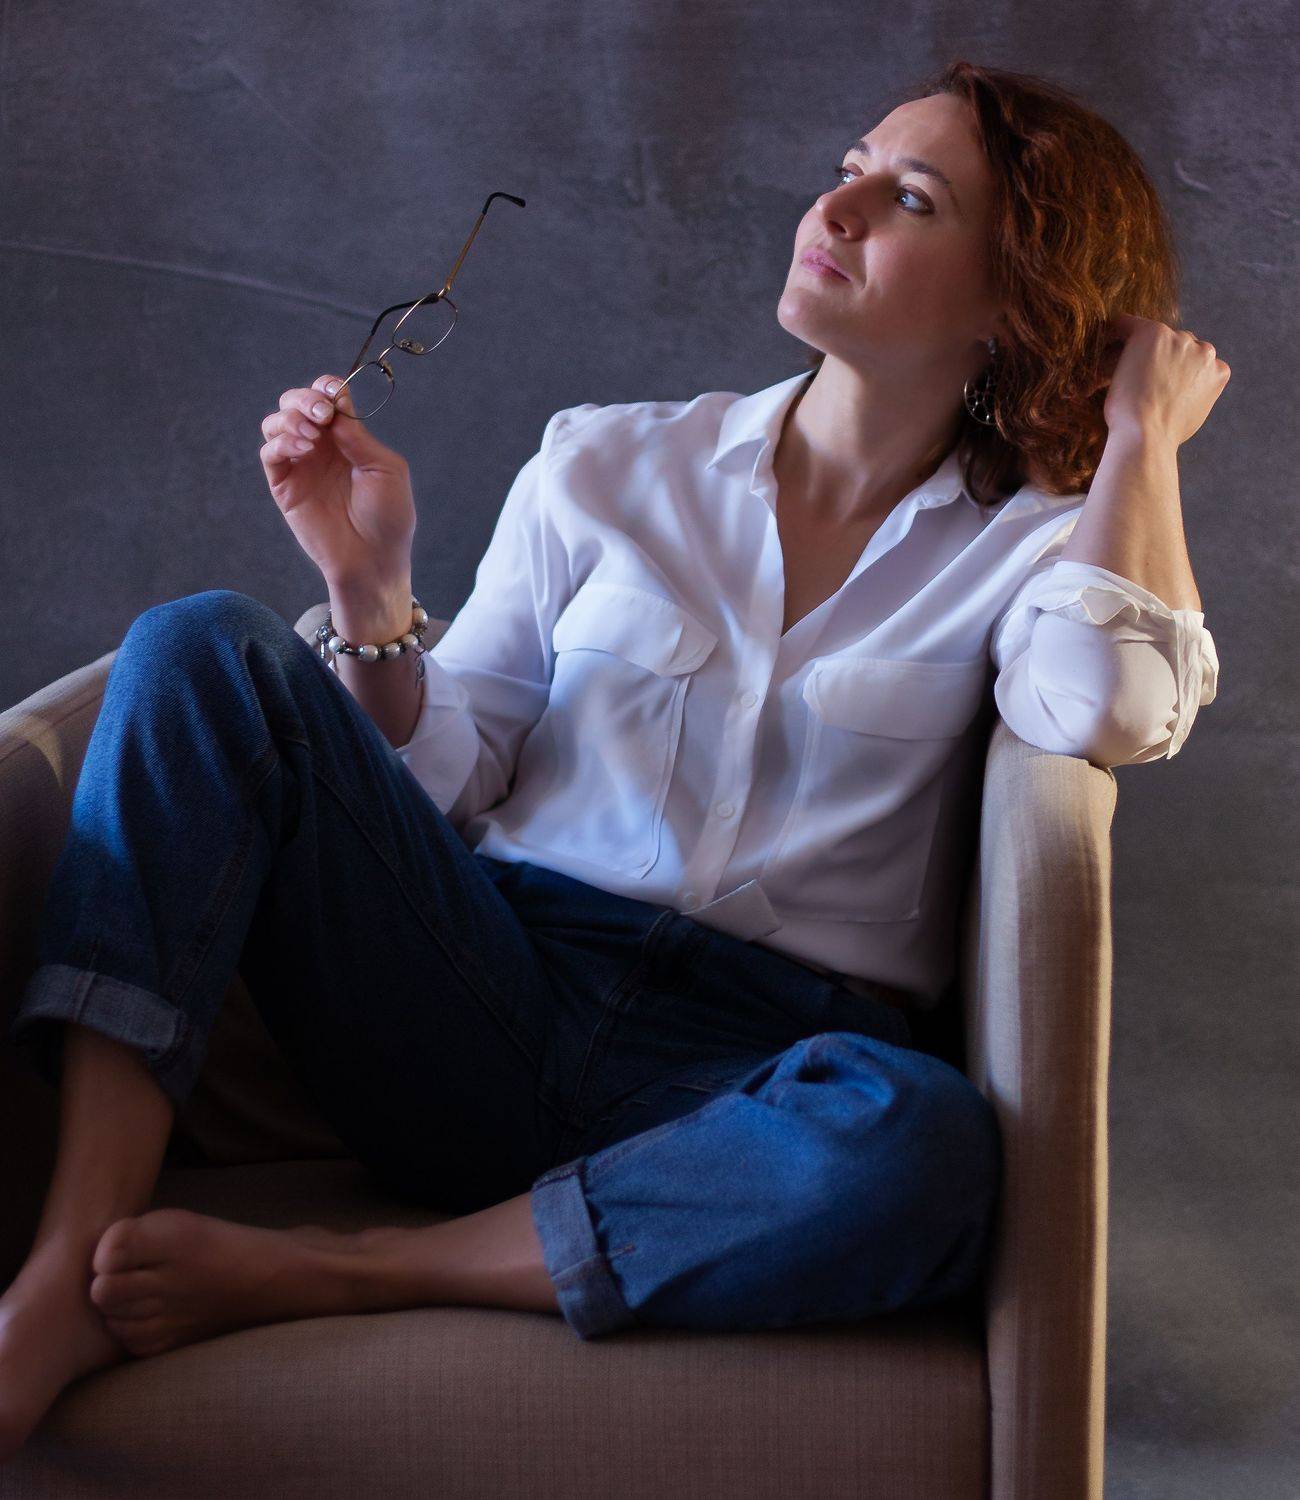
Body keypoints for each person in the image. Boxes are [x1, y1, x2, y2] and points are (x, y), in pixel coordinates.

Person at [0, 59, 1227, 1462]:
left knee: (926, 1142)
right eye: (850, 167)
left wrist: (1140, 441)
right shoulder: (606, 464)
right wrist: (370, 594)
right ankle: (68, 1272)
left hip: (736, 1091)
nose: (833, 208)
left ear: (1019, 297)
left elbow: (1110, 705)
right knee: (200, 644)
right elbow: (448, 783)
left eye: (910, 199)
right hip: (482, 990)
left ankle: (353, 1269)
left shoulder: (1039, 547)